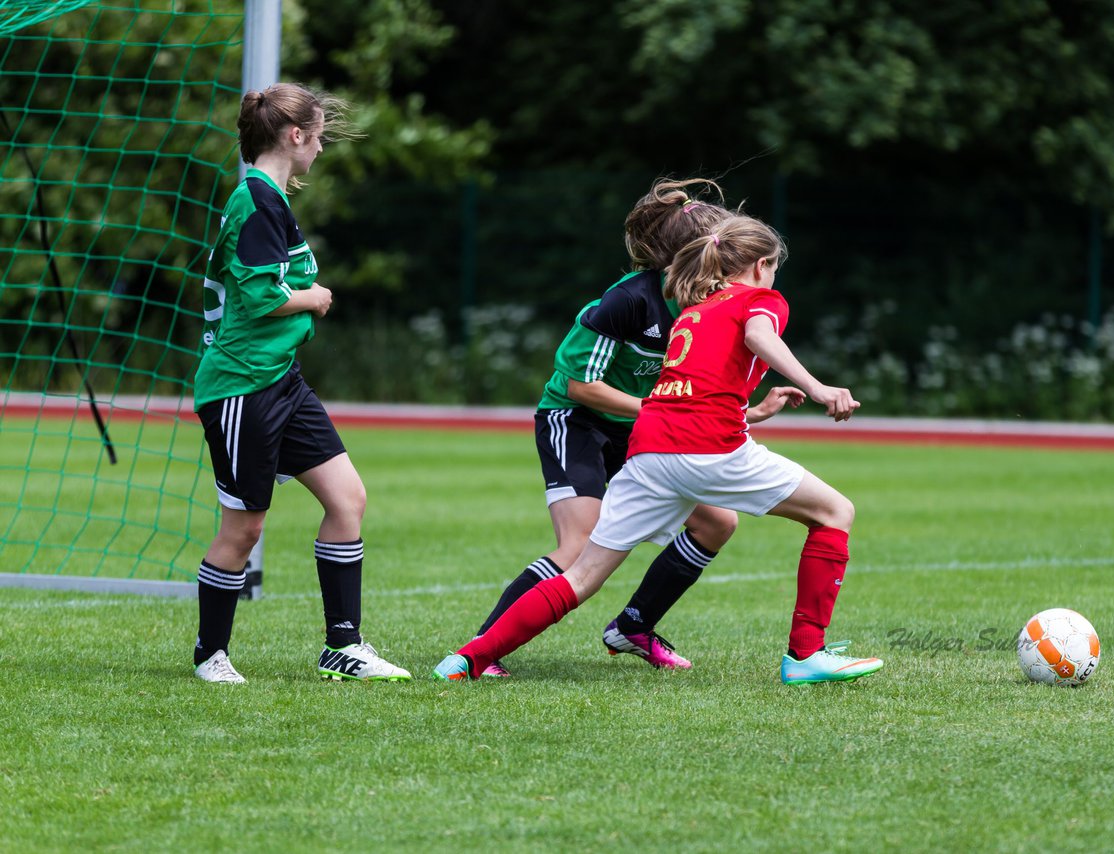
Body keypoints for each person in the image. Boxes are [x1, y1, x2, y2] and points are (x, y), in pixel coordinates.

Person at [432, 213, 884, 685]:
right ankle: (806, 654)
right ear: (759, 265)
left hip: (649, 449)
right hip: (704, 447)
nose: (773, 279)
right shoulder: (760, 298)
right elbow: (758, 336)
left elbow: (686, 393)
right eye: (773, 269)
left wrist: (749, 411)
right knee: (835, 512)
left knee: (584, 575)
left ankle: (469, 658)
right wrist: (817, 386)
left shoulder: (692, 310)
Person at [471, 178, 800, 677]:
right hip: (577, 420)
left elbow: (697, 388)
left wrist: (747, 413)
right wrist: (659, 409)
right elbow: (582, 386)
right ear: (688, 255)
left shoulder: (712, 308)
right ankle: (484, 646)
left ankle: (634, 626)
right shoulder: (629, 302)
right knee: (578, 545)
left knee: (718, 522)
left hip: (643, 425)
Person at [190, 83, 409, 683]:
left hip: (281, 380)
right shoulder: (256, 201)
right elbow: (261, 298)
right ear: (294, 137)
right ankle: (211, 654)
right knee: (245, 526)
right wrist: (314, 297)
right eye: (317, 137)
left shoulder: (269, 199)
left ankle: (343, 647)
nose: (320, 148)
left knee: (347, 500)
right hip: (243, 387)